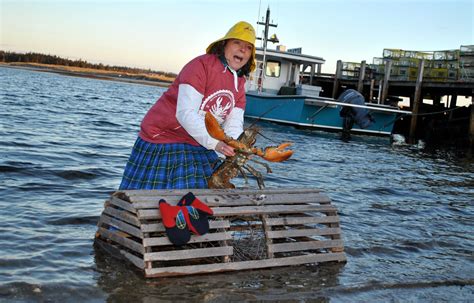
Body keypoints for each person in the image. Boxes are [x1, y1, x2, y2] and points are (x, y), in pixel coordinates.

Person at [119, 21, 256, 190]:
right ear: (224, 45)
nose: (243, 49)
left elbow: (233, 124)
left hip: (197, 141)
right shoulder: (201, 66)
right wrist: (216, 144)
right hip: (164, 136)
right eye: (237, 42)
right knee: (181, 194)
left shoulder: (239, 84)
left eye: (248, 47)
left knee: (211, 190)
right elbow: (185, 114)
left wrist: (237, 147)